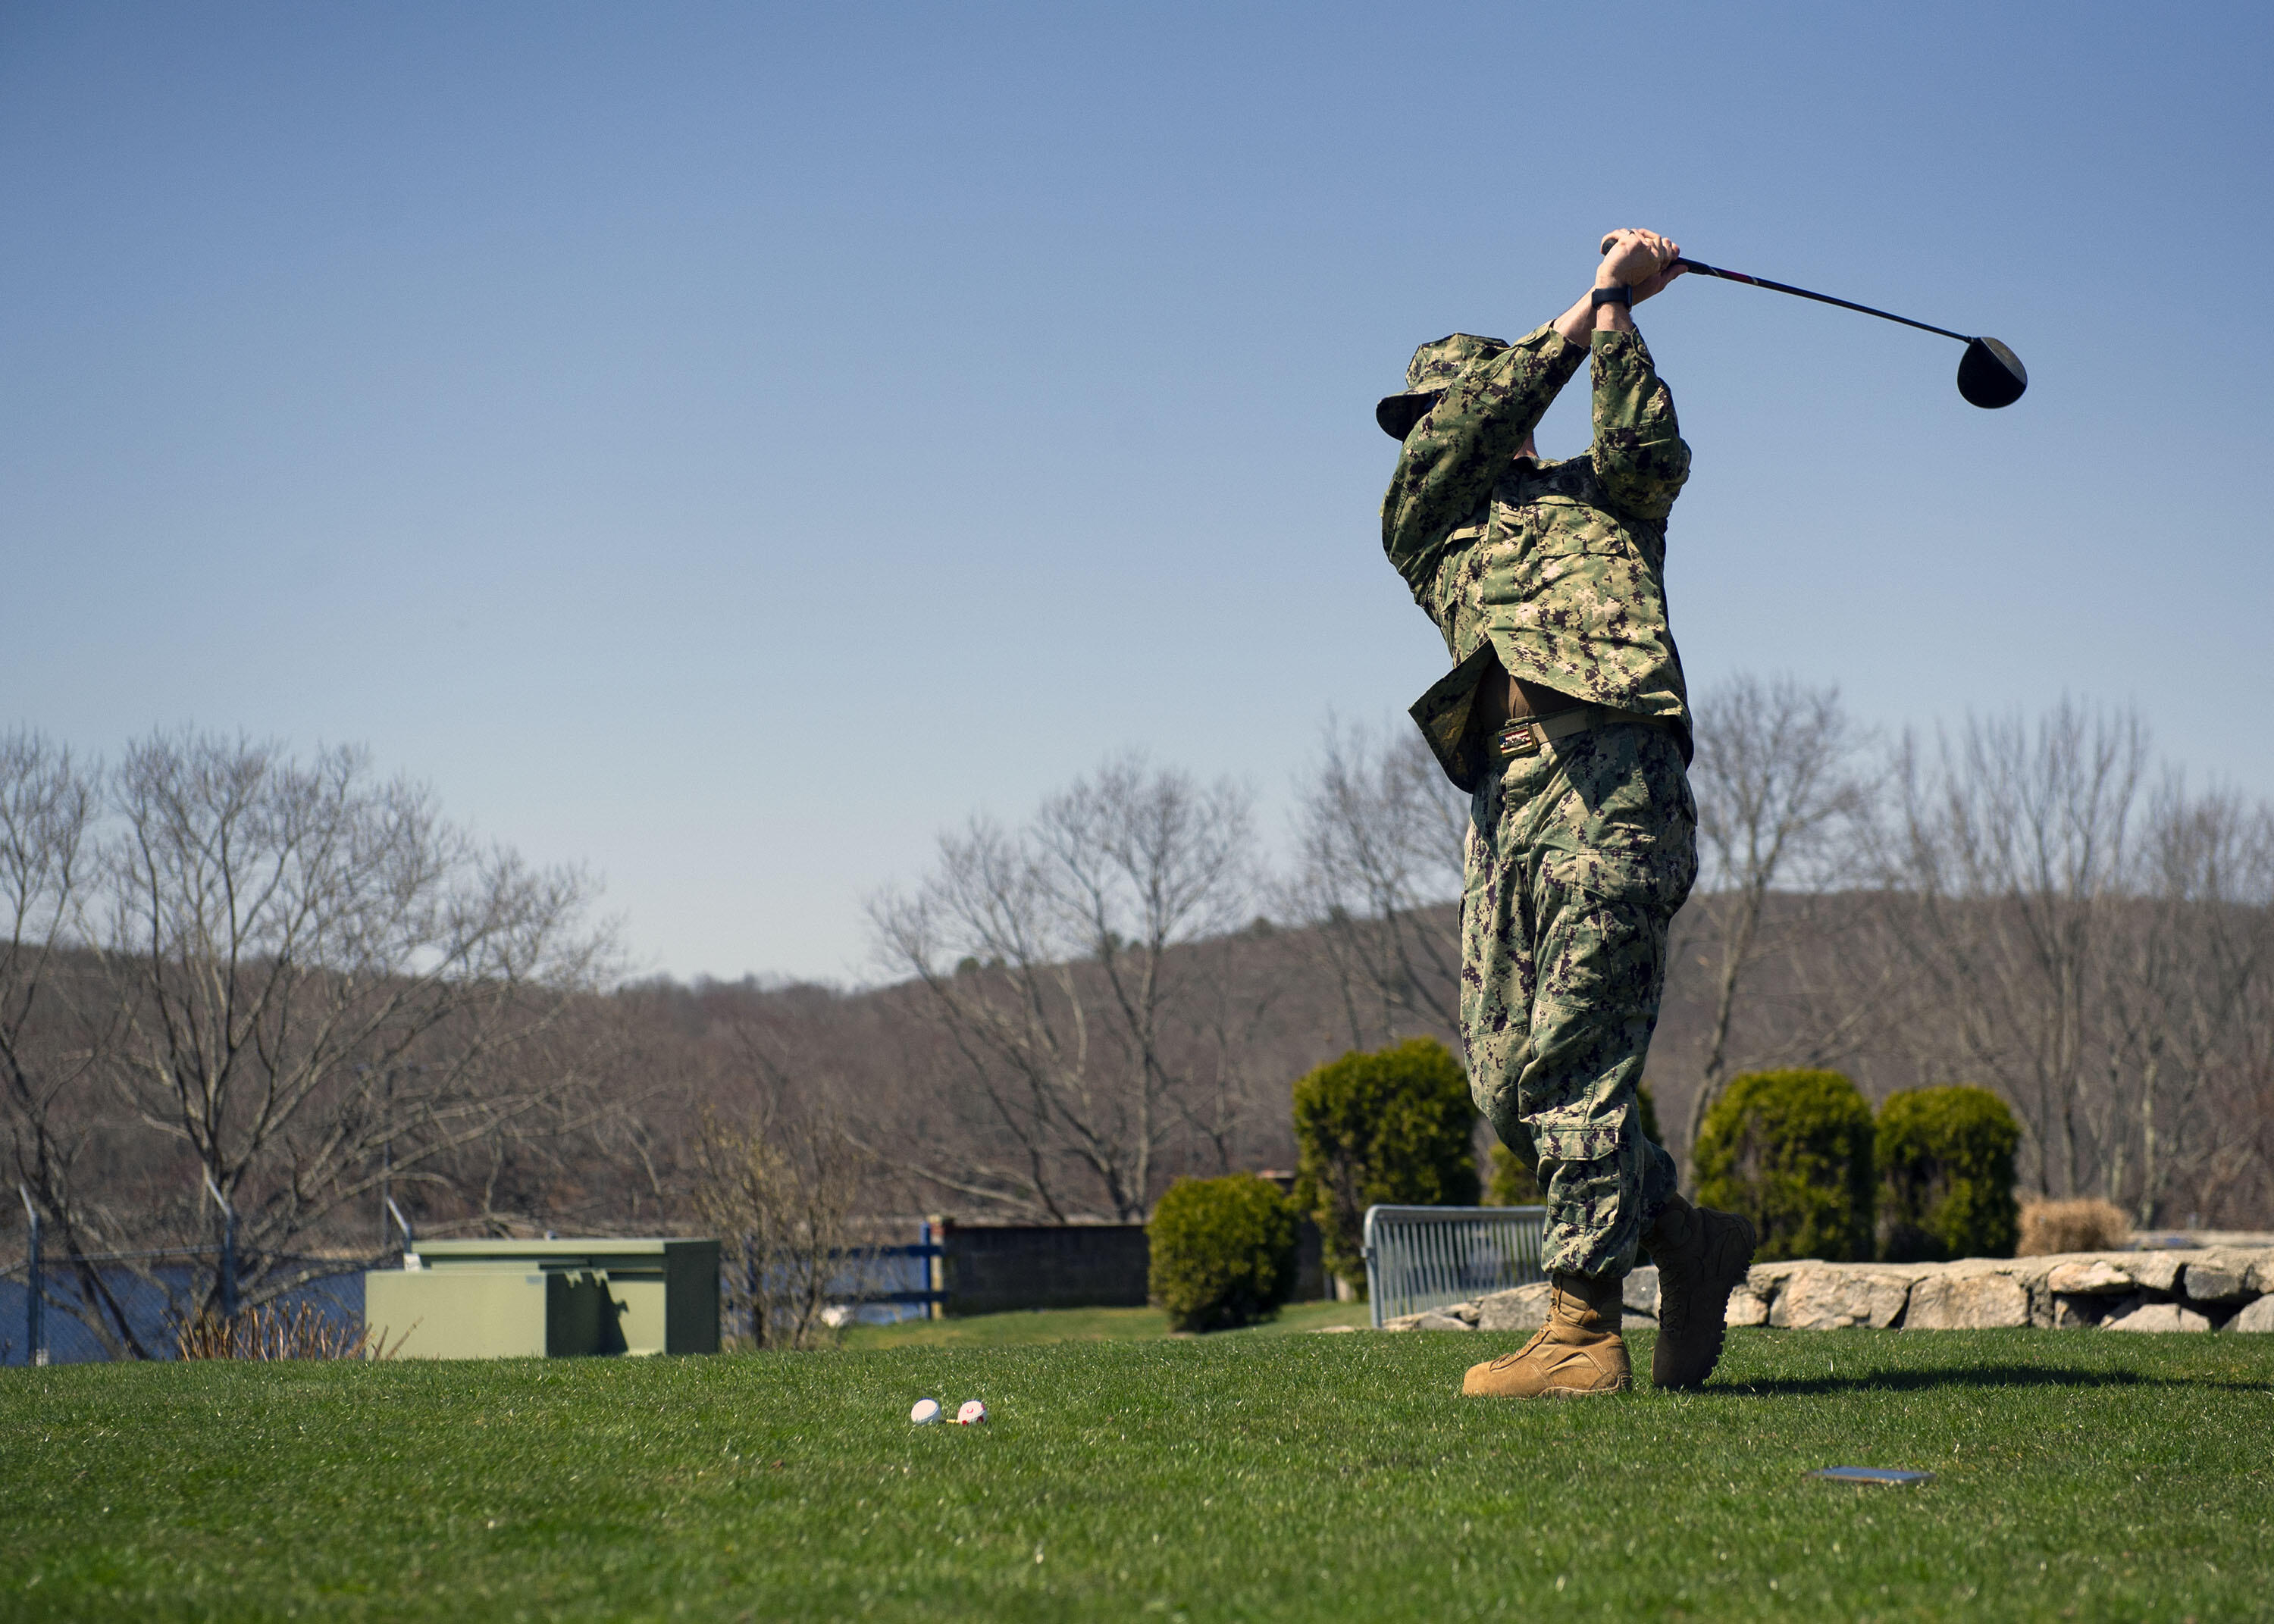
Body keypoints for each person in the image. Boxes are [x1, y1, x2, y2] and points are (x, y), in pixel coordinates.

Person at [1376, 229, 1756, 1397]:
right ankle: (1686, 1241)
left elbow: (1650, 448)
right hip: (1508, 803)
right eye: (1430, 416)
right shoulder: (1427, 528)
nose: (1436, 429)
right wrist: (1584, 304)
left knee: (1574, 1061)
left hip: (1615, 781)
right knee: (1505, 1086)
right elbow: (1459, 431)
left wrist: (1622, 323)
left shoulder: (1604, 503)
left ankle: (1582, 1332)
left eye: (1451, 405)